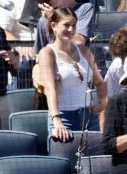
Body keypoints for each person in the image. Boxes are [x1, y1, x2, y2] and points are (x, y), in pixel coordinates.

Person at [39, 7, 107, 139]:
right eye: (66, 25)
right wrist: (56, 119)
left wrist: (102, 104)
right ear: (54, 26)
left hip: (88, 116)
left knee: (89, 158)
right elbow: (50, 88)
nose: (70, 30)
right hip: (63, 116)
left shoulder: (84, 51)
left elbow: (99, 82)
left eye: (74, 25)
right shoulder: (47, 53)